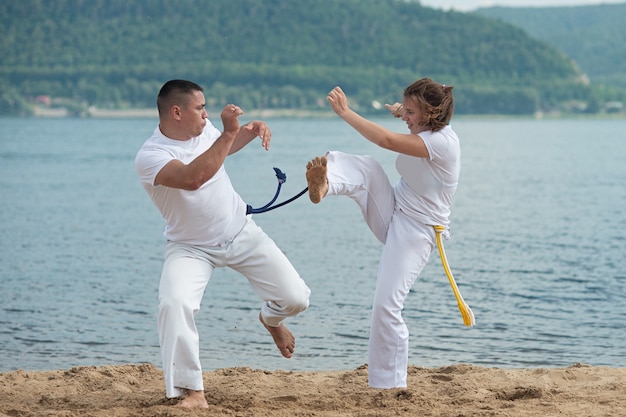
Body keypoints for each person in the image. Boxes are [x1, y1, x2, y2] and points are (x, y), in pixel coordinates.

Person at [135, 79, 311, 409]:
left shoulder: (203, 132)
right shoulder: (151, 156)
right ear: (177, 112)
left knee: (296, 299)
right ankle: (192, 392)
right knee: (173, 304)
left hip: (241, 232)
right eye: (200, 108)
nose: (206, 114)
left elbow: (220, 150)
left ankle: (270, 320)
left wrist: (248, 131)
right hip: (190, 248)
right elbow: (192, 177)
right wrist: (229, 132)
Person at [305, 78, 460, 389]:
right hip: (392, 208)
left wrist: (346, 113)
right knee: (369, 169)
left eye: (412, 112)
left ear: (430, 114)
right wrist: (403, 112)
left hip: (417, 231)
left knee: (387, 306)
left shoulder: (442, 143)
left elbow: (388, 141)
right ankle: (326, 182)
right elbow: (408, 121)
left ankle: (389, 385)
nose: (406, 117)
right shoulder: (425, 127)